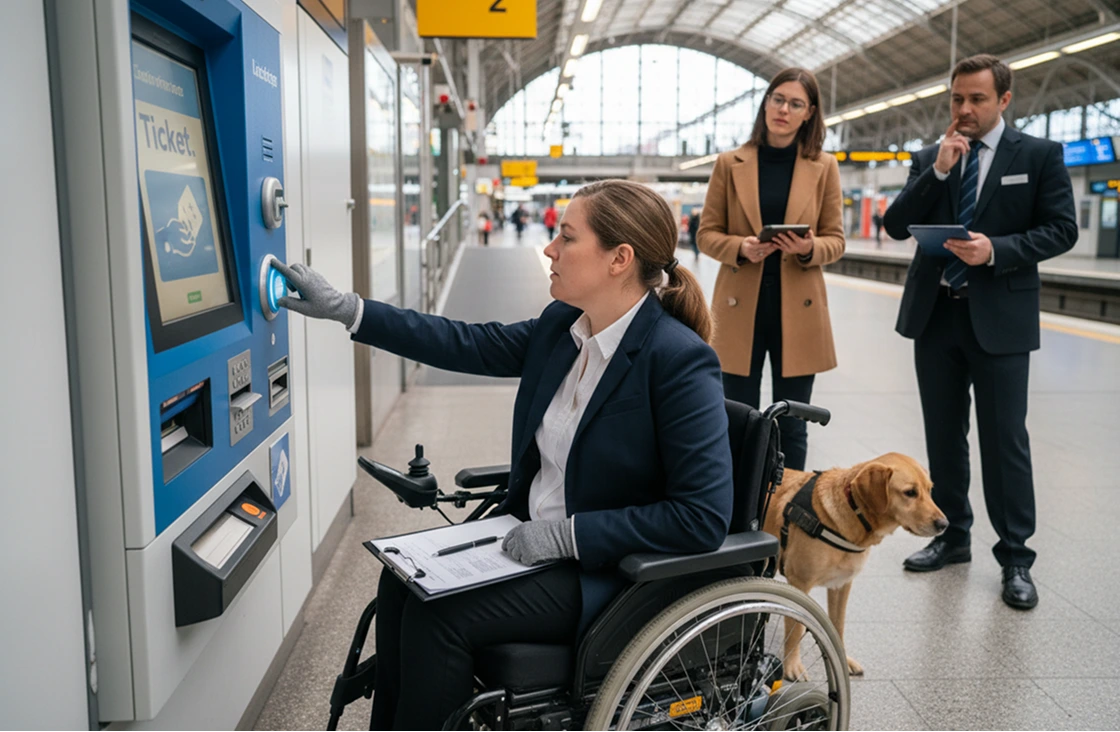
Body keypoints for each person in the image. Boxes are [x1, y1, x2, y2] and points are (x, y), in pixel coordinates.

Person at [274, 180, 732, 731]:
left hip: (607, 573)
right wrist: (349, 310)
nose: (550, 249)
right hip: (526, 539)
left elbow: (702, 517)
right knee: (399, 584)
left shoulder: (677, 360)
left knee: (439, 617)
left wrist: (567, 537)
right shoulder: (563, 328)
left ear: (620, 259)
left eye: (566, 238)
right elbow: (463, 341)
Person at [882, 54, 1077, 610]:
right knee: (944, 437)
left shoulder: (1037, 155)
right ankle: (952, 537)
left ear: (1004, 100)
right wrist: (939, 172)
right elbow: (894, 226)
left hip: (1001, 321)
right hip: (936, 316)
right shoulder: (932, 157)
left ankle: (1016, 557)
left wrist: (997, 250)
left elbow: (1061, 228)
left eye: (977, 99)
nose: (964, 109)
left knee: (1003, 440)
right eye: (957, 99)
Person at [697, 67, 845, 471]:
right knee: (737, 421)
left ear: (809, 113)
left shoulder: (824, 166)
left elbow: (836, 240)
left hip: (799, 312)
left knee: (793, 425)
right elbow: (706, 234)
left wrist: (808, 248)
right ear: (765, 104)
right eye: (777, 99)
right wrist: (740, 247)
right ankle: (734, 503)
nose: (783, 109)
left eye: (796, 104)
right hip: (739, 309)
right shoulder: (730, 163)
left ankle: (788, 503)